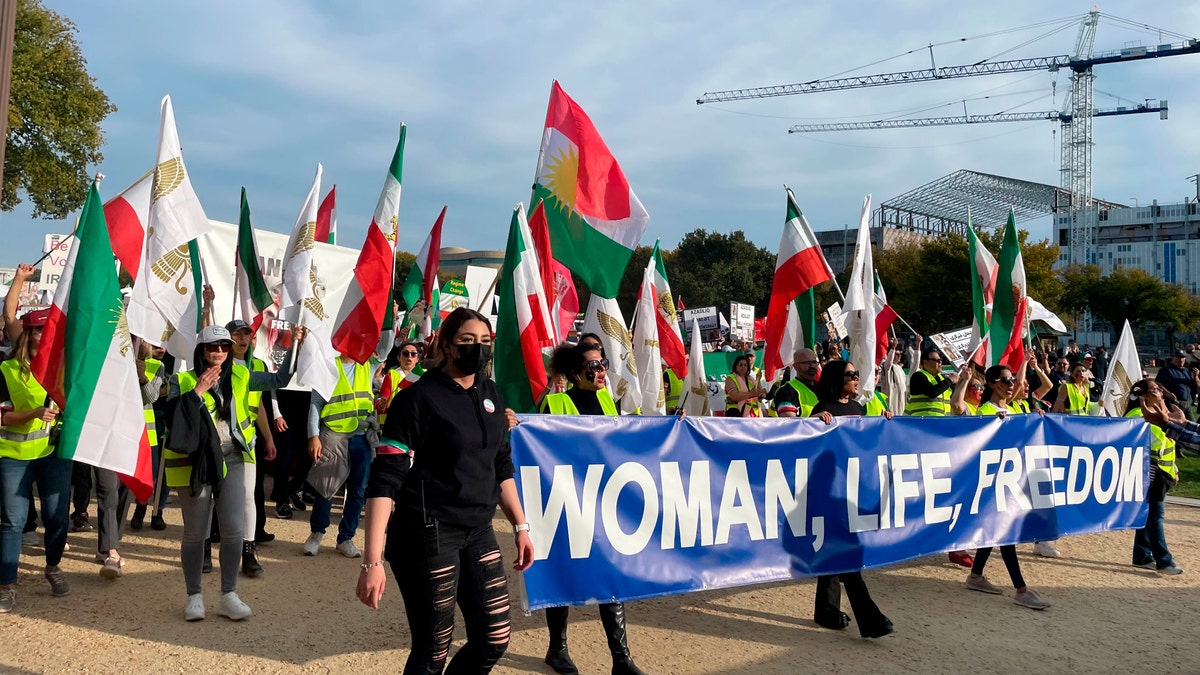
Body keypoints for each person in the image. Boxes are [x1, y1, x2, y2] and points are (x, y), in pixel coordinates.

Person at [356, 308, 533, 674]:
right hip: (427, 533)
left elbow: (501, 465)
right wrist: (372, 562)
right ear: (447, 345)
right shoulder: (416, 399)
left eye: (485, 342)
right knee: (433, 647)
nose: (478, 349)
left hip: (479, 530)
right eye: (467, 341)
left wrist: (521, 526)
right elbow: (384, 482)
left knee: (494, 637)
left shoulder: (491, 393)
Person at [164, 323, 301, 621]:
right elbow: (170, 418)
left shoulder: (241, 374)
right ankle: (194, 596)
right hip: (195, 463)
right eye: (213, 347)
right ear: (201, 350)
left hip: (233, 459)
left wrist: (295, 345)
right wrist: (197, 392)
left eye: (224, 346)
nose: (220, 352)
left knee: (233, 531)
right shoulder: (182, 380)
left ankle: (229, 595)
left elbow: (280, 378)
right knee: (195, 534)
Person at [539, 342, 648, 675]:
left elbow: (624, 440)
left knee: (609, 575)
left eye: (603, 364)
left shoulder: (606, 399)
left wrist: (673, 426)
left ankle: (621, 658)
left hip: (603, 502)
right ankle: (557, 649)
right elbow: (537, 451)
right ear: (575, 372)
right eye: (594, 366)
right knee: (562, 575)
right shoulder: (554, 402)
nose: (602, 370)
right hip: (565, 503)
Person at [809, 359, 895, 639]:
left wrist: (883, 424)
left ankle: (826, 611)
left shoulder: (857, 408)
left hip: (850, 491)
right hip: (827, 493)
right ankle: (870, 620)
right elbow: (808, 446)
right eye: (850, 375)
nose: (857, 378)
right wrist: (813, 424)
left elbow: (864, 445)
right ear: (837, 379)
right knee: (846, 555)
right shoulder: (822, 410)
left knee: (835, 553)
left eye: (857, 374)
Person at [962, 364, 1051, 610]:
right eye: (1005, 380)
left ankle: (975, 576)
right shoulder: (986, 410)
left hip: (1009, 479)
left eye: (1012, 379)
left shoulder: (1010, 409)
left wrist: (1036, 422)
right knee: (1006, 533)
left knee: (995, 531)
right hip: (992, 482)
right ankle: (1021, 590)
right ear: (991, 383)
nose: (1011, 383)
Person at [0, 309, 71, 612]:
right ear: (28, 334)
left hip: (53, 455)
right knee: (13, 522)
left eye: (50, 333)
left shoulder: (62, 368)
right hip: (14, 457)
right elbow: (3, 416)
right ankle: (7, 586)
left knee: (56, 517)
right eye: (40, 332)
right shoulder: (6, 369)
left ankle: (52, 567)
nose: (45, 339)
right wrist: (33, 413)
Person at [303, 347, 375, 558]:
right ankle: (316, 534)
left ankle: (345, 538)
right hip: (332, 436)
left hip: (360, 436)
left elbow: (386, 345)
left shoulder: (368, 365)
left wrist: (393, 314)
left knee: (357, 491)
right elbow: (316, 403)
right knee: (325, 488)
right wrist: (313, 436)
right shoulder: (327, 367)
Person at [226, 319, 277, 575]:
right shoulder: (219, 362)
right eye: (237, 334)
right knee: (215, 495)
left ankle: (248, 549)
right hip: (219, 439)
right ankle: (204, 547)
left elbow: (259, 408)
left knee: (249, 497)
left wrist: (268, 437)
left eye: (246, 334)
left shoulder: (257, 365)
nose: (243, 339)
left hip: (247, 441)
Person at [1125, 381, 1182, 575]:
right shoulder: (1137, 416)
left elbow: (1168, 441)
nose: (1159, 392)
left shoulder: (1158, 415)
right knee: (1155, 516)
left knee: (1149, 514)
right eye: (1155, 390)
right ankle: (1164, 561)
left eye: (1159, 389)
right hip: (1149, 471)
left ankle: (1142, 555)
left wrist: (1173, 467)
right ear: (1143, 396)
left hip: (1162, 471)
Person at [903, 349, 958, 416]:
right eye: (937, 360)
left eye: (941, 360)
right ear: (925, 362)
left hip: (942, 421)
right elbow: (932, 392)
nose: (940, 362)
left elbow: (955, 396)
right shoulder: (918, 376)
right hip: (922, 421)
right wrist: (950, 380)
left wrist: (963, 380)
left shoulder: (941, 378)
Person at [772, 348, 820, 418]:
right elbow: (790, 424)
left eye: (814, 362)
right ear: (795, 366)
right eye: (807, 363)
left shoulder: (823, 388)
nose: (812, 366)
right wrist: (815, 419)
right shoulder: (787, 391)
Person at [1155, 351, 1199, 420]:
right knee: (1175, 424)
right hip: (1175, 402)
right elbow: (1158, 383)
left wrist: (1196, 376)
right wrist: (1167, 393)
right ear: (1173, 358)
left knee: (1192, 425)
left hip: (1187, 403)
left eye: (1182, 357)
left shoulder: (1186, 371)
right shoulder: (1166, 370)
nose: (1180, 359)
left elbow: (1197, 386)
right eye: (1178, 357)